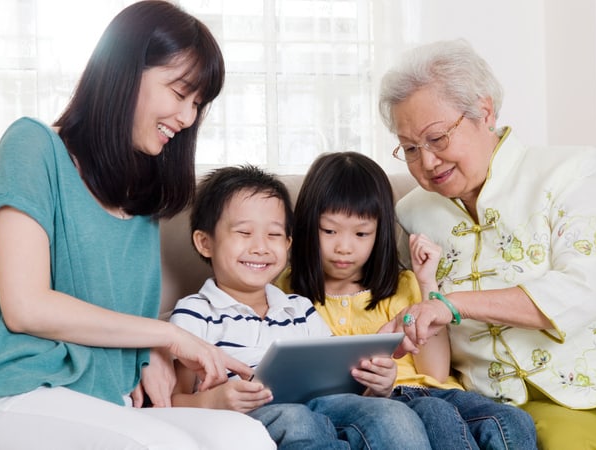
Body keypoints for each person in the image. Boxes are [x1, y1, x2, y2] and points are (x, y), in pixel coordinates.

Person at [0, 2, 276, 449]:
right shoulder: (32, 145)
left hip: (103, 401)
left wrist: (149, 355)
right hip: (6, 391)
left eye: (198, 104)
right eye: (180, 93)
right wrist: (167, 336)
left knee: (246, 438)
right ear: (124, 71)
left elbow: (123, 320)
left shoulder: (142, 196)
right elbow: (26, 306)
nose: (187, 118)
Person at [376, 38, 596, 449]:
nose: (426, 162)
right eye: (410, 148)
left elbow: (584, 287)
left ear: (484, 111)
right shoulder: (409, 214)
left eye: (437, 138)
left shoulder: (570, 170)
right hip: (521, 397)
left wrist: (453, 304)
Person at [276, 151, 537, 450]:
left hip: (438, 393)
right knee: (436, 414)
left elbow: (435, 373)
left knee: (512, 420)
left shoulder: (402, 284)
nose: (344, 247)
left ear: (380, 232)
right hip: (387, 402)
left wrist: (427, 282)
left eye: (362, 233)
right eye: (329, 231)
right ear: (308, 225)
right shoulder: (289, 293)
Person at [169, 164, 434, 450]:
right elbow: (173, 398)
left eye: (273, 235)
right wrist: (214, 401)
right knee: (298, 420)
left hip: (320, 407)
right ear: (205, 243)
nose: (261, 247)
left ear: (288, 243)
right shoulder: (195, 313)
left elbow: (343, 388)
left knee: (394, 414)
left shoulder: (299, 308)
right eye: (244, 233)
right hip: (252, 414)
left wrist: (377, 387)